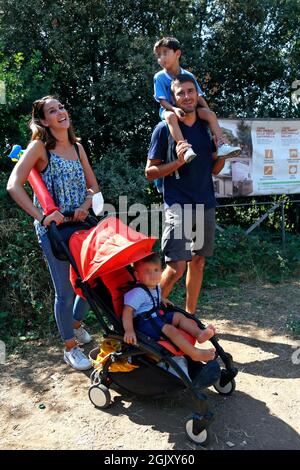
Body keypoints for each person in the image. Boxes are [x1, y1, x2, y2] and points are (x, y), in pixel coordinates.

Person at [7, 95, 100, 371]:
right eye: (52, 110)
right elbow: (14, 185)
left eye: (61, 107)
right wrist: (43, 216)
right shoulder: (39, 148)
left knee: (89, 282)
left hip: (80, 225)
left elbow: (93, 186)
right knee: (65, 291)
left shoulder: (78, 147)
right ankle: (70, 348)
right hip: (54, 232)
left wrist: (85, 204)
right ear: (44, 121)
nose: (61, 112)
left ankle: (75, 324)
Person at [146, 74, 218, 314]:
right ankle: (147, 313)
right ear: (173, 98)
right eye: (181, 93)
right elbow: (150, 173)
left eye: (190, 91)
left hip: (205, 204)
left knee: (197, 263)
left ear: (197, 95)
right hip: (178, 205)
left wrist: (223, 158)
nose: (187, 97)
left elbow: (213, 169)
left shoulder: (207, 127)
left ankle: (191, 316)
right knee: (176, 267)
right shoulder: (164, 128)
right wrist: (178, 162)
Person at [153, 36, 241, 167]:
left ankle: (222, 145)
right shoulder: (159, 77)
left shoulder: (189, 76)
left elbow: (198, 97)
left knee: (210, 115)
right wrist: (175, 109)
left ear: (177, 53)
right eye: (158, 55)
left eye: (165, 53)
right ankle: (184, 147)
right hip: (169, 109)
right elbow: (162, 101)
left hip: (189, 108)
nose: (161, 58)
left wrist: (207, 112)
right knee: (170, 116)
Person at [122, 253, 216, 362]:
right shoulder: (137, 293)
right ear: (137, 275)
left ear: (161, 271)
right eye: (147, 271)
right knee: (170, 330)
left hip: (156, 318)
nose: (153, 275)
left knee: (179, 316)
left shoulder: (155, 286)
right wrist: (129, 330)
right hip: (144, 324)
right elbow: (127, 311)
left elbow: (153, 297)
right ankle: (195, 354)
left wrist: (162, 299)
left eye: (156, 270)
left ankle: (199, 333)